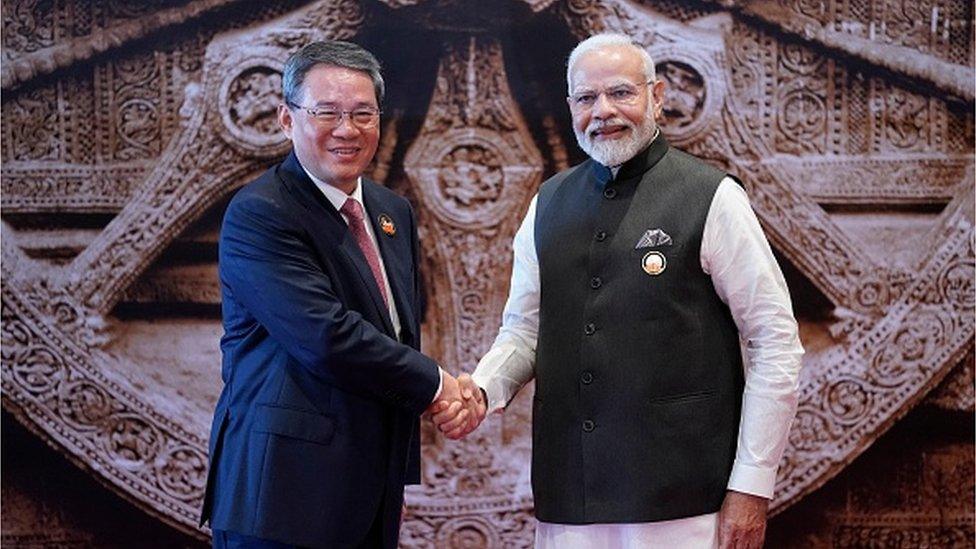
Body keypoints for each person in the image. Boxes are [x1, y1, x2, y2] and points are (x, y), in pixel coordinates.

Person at [434, 33, 804, 548]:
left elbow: (775, 340)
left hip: (685, 502)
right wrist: (482, 390)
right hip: (569, 500)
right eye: (586, 98)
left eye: (621, 94)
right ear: (570, 108)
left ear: (656, 97)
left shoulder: (711, 196)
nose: (603, 111)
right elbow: (523, 331)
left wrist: (752, 485)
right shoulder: (548, 203)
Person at [200, 40, 478, 549]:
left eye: (362, 113)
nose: (347, 130)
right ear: (286, 118)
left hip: (370, 490)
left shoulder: (391, 211)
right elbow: (326, 337)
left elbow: (395, 328)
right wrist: (438, 386)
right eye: (326, 112)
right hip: (282, 497)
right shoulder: (260, 213)